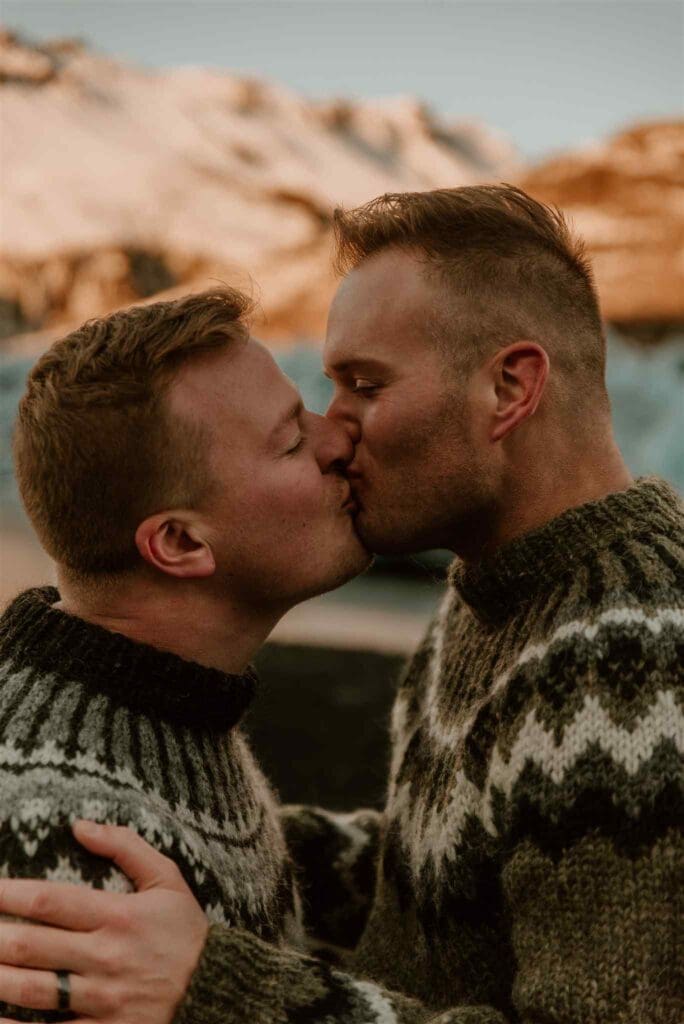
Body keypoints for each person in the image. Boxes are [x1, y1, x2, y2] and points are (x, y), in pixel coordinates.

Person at [1, 186, 682, 1024]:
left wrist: (218, 987)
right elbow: (460, 882)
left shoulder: (634, 658)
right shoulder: (501, 591)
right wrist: (203, 833)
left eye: (365, 383)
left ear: (509, 388)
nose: (337, 428)